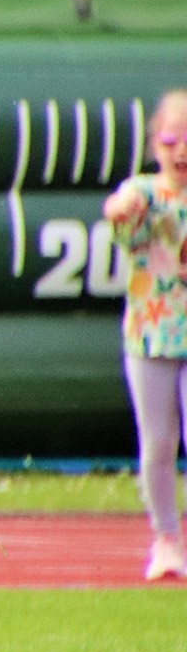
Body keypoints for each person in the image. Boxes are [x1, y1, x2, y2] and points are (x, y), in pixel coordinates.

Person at [102, 88, 187, 582]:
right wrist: (120, 208)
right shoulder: (146, 193)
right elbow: (123, 208)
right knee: (158, 441)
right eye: (171, 138)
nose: (180, 151)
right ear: (156, 142)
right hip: (152, 334)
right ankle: (166, 538)